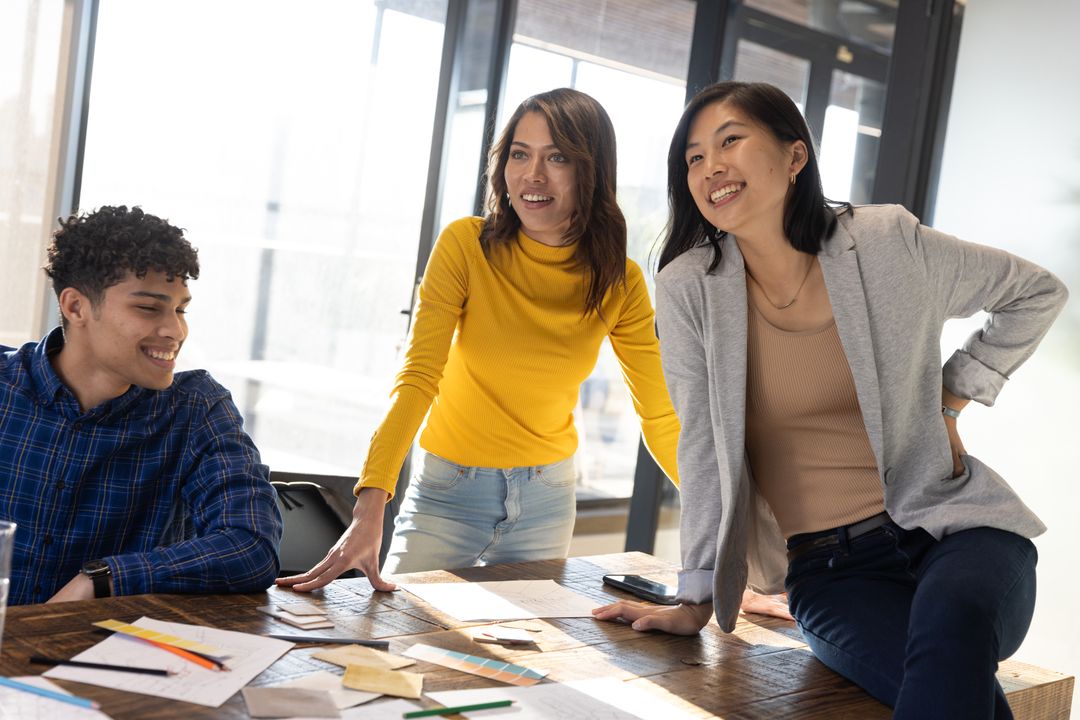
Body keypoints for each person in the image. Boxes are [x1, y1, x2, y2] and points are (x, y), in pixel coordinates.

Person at [593, 81, 1067, 719]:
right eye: (694, 158)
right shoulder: (689, 289)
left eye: (730, 140)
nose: (711, 168)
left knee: (951, 620)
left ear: (795, 158)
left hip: (957, 532)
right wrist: (697, 596)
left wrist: (955, 395)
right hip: (834, 572)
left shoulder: (886, 243)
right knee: (952, 686)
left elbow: (1035, 292)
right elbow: (702, 442)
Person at [277, 88, 681, 593]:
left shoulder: (618, 281)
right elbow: (419, 377)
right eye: (520, 153)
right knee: (396, 650)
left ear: (591, 171)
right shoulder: (465, 246)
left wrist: (728, 527)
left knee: (524, 661)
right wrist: (370, 501)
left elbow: (661, 415)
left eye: (557, 157)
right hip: (447, 495)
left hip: (546, 501)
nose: (533, 175)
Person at [0, 205, 282, 604]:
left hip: (101, 656)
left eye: (181, 309)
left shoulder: (195, 410)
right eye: (149, 308)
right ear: (76, 307)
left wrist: (103, 578)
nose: (175, 330)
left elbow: (250, 547)